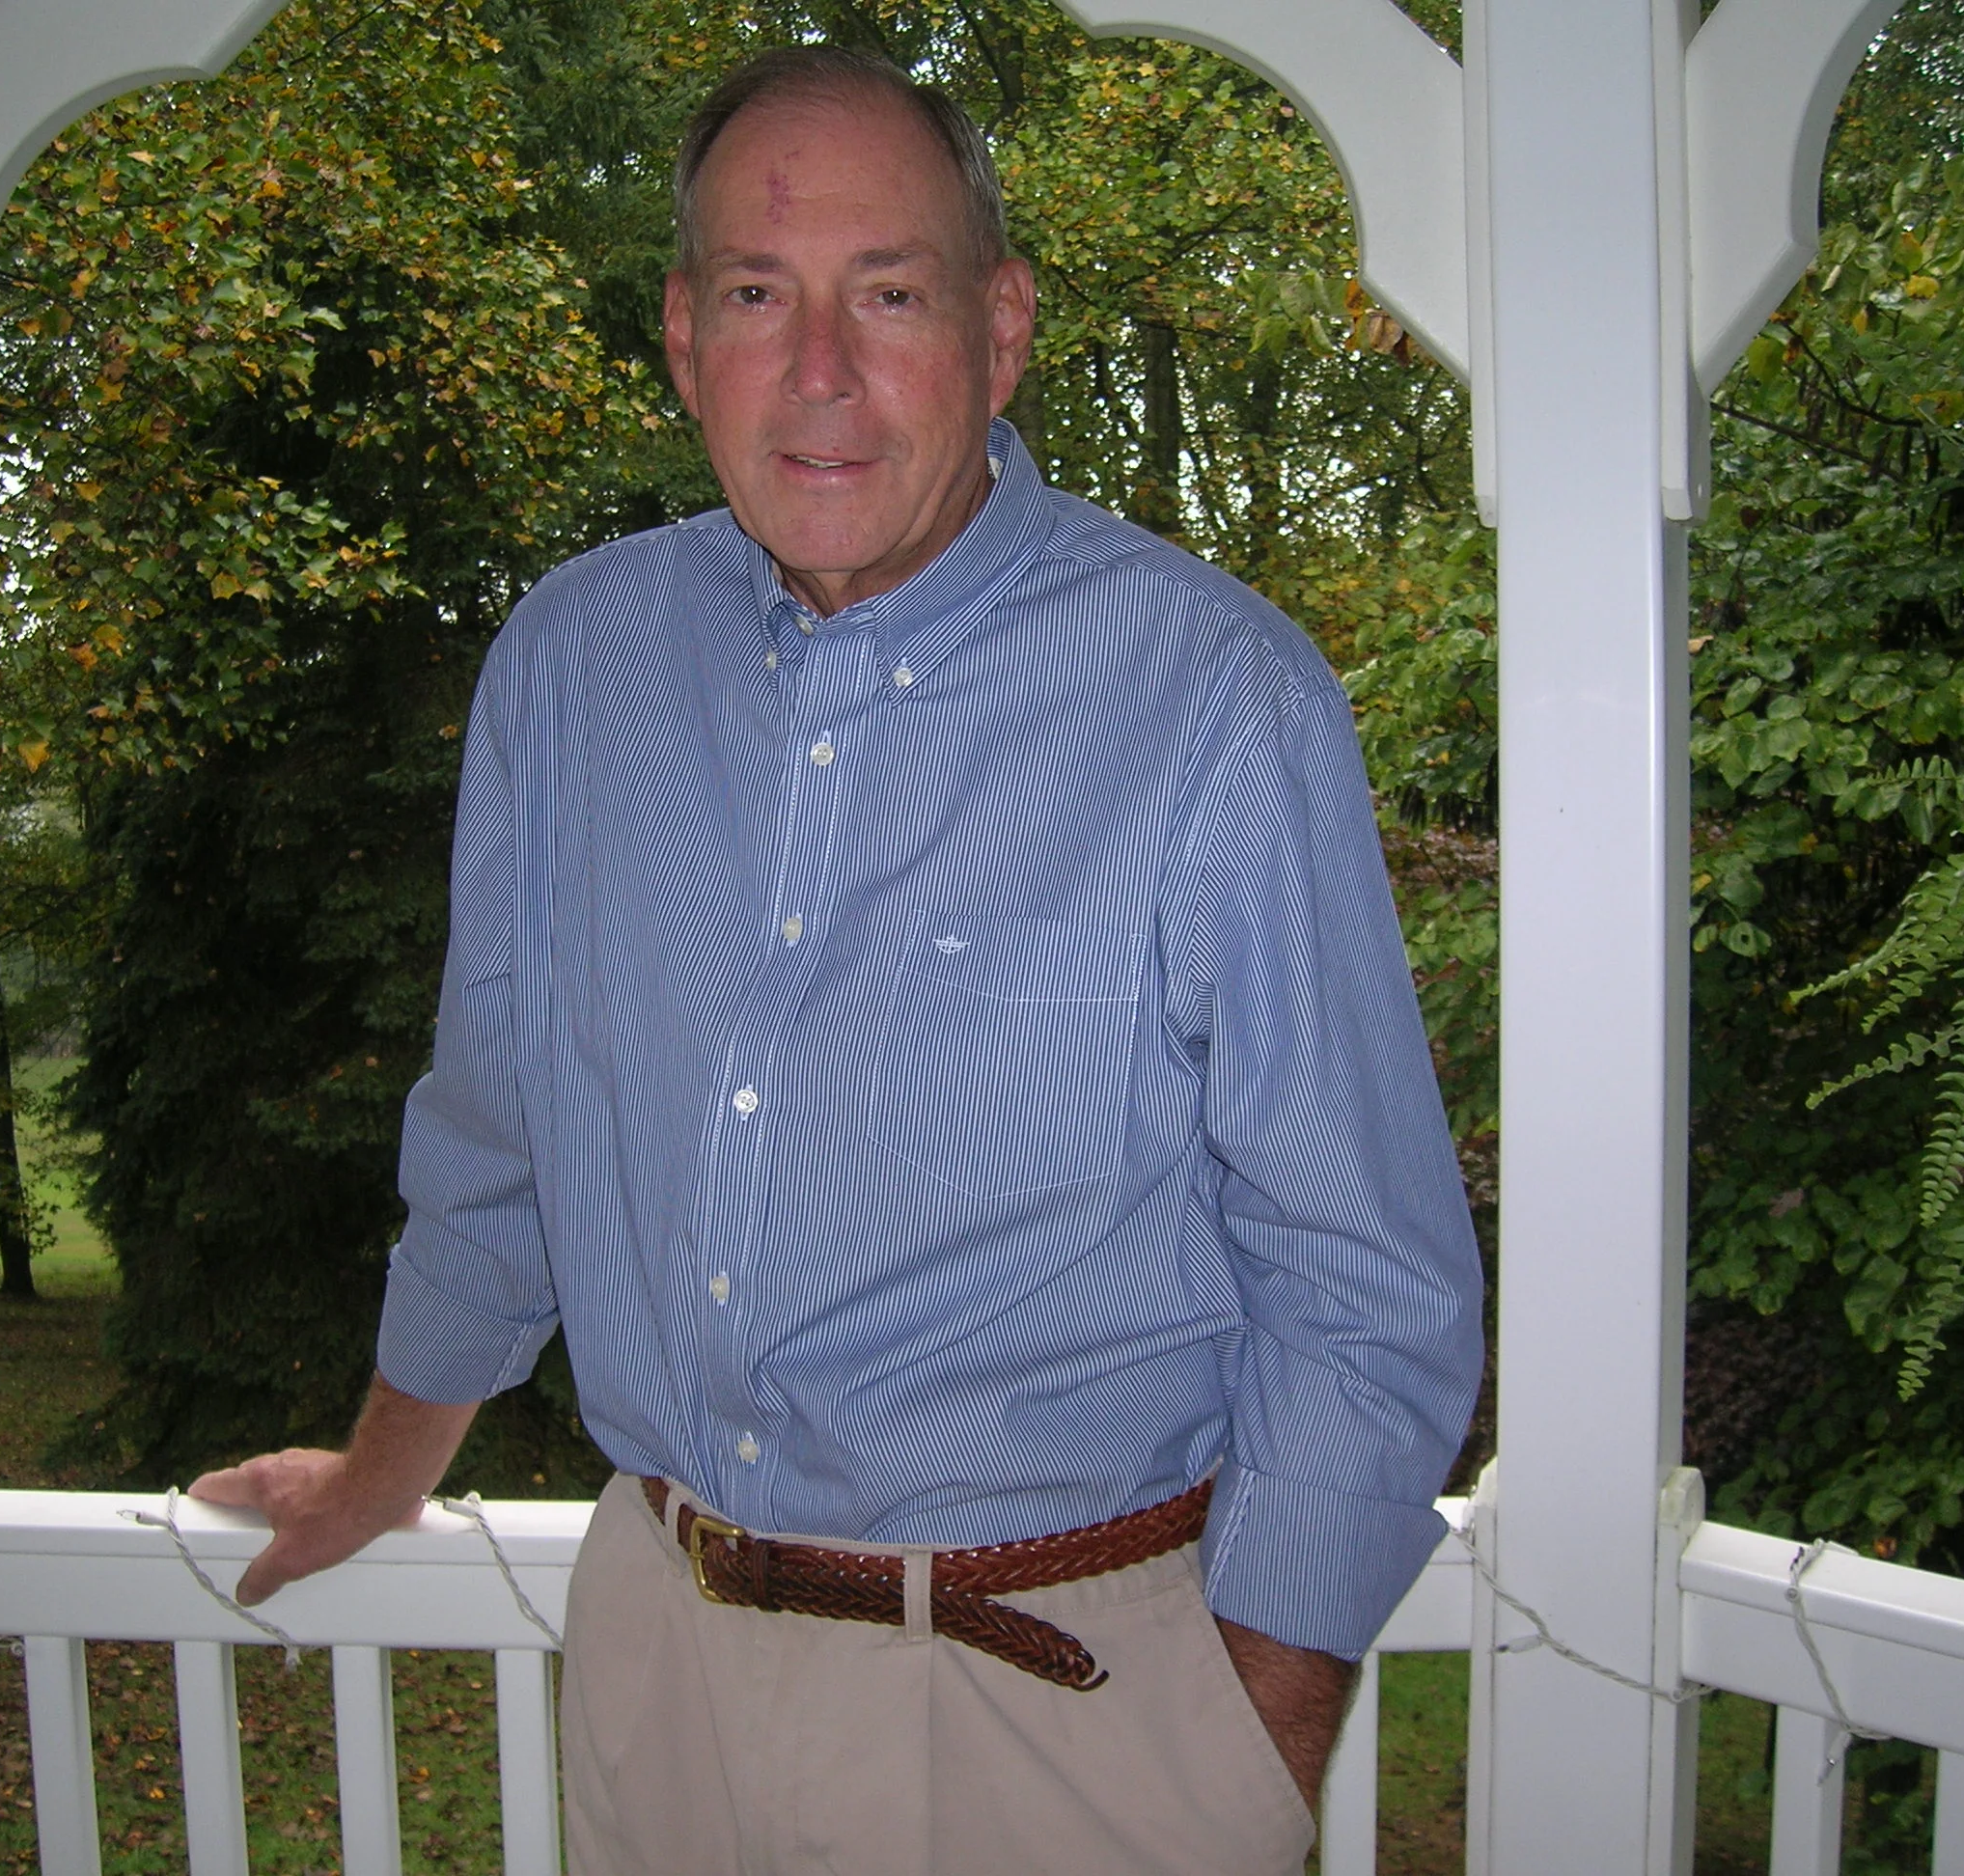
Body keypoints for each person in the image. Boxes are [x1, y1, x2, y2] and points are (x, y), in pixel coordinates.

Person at [191, 45, 1481, 1876]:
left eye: (889, 293)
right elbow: (496, 1135)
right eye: (755, 296)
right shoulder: (572, 670)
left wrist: (1244, 1748)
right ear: (680, 337)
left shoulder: (1215, 702)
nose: (819, 374)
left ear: (1002, 328)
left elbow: (1360, 1285)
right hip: (664, 1668)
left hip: (1070, 1717)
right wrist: (390, 1464)